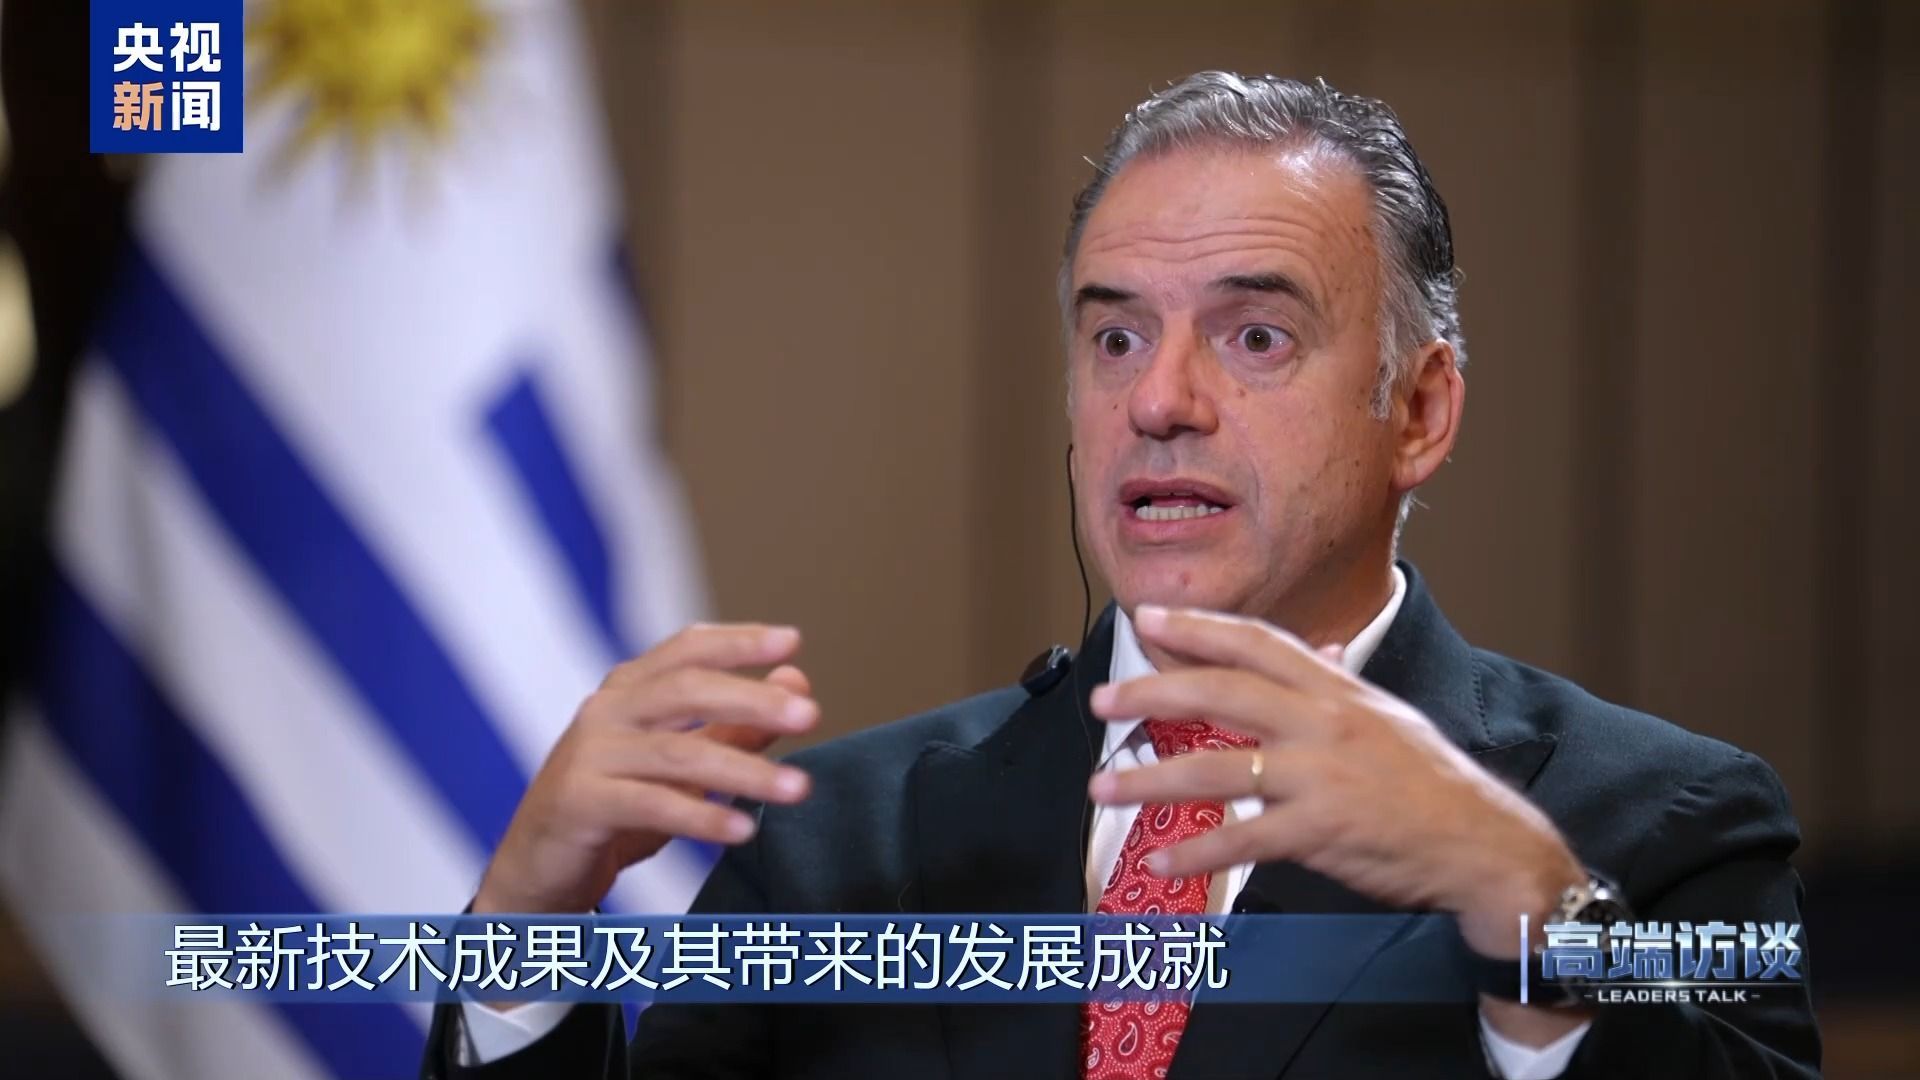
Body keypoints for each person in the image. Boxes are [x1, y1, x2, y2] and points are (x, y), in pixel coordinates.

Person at [420, 72, 1819, 1079]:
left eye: (1255, 337)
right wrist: (525, 933)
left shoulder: (1652, 825)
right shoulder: (839, 849)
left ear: (1420, 410)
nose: (1160, 401)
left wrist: (1539, 923)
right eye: (1116, 339)